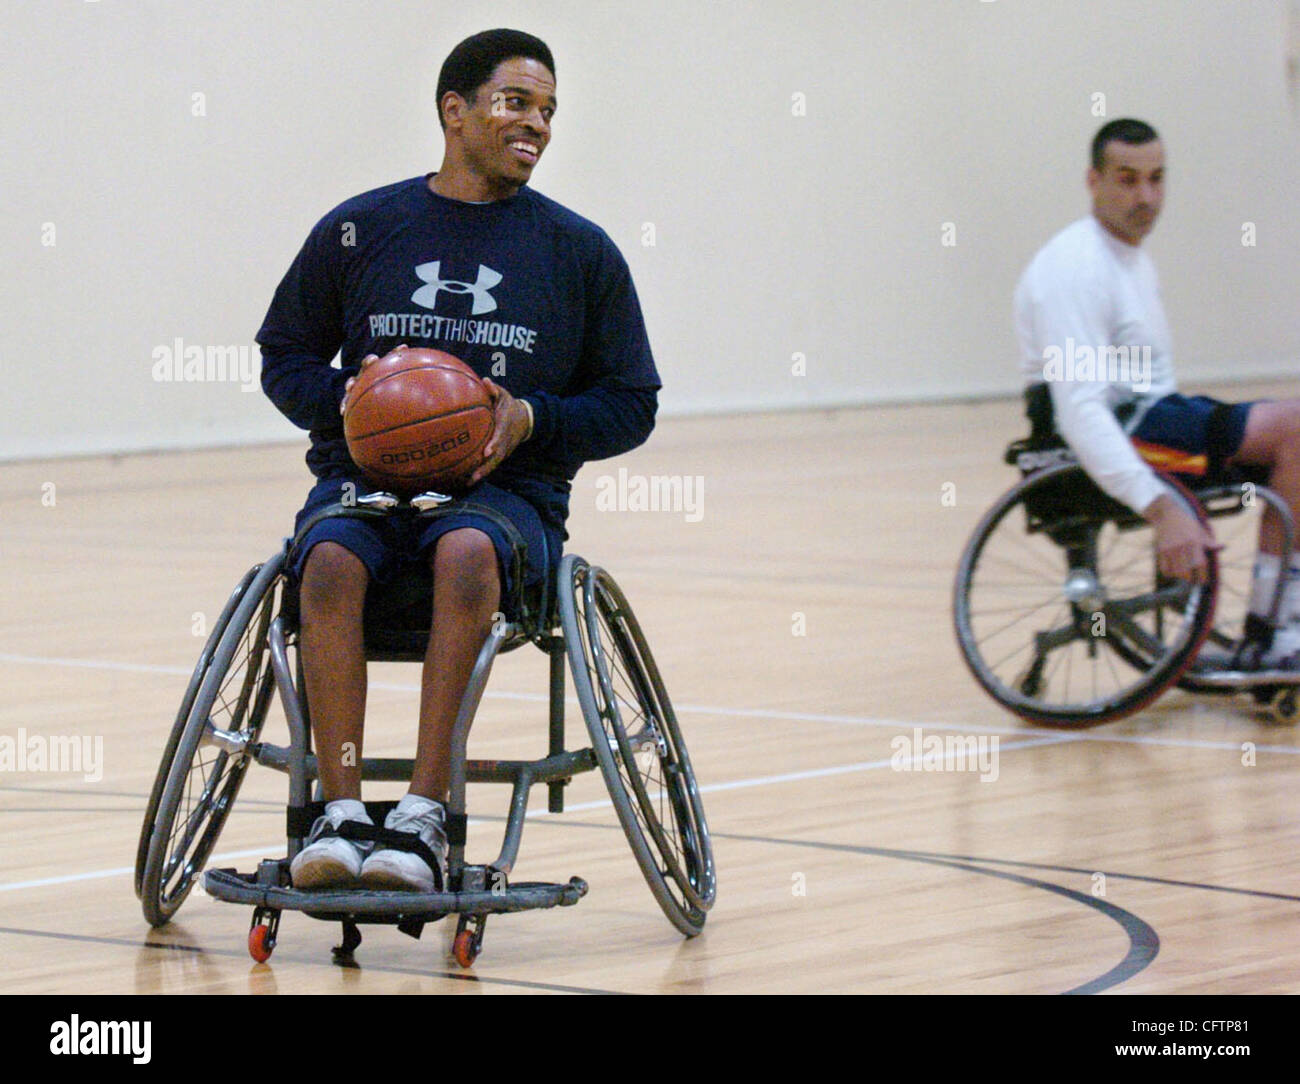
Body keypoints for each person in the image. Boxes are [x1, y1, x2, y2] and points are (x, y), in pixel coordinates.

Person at [256, 28, 660, 891]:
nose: (538, 125)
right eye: (517, 103)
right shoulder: (362, 230)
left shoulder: (579, 253)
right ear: (455, 111)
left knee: (467, 549)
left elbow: (632, 403)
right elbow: (283, 355)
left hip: (506, 498)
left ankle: (424, 814)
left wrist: (530, 418)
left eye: (549, 111)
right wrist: (351, 405)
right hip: (366, 485)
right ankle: (339, 808)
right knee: (324, 559)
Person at [1014, 118, 1300, 669]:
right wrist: (1162, 506)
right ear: (1093, 181)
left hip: (1152, 415)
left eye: (1156, 179)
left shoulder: (1131, 259)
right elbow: (1079, 411)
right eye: (1127, 179)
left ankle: (1278, 620)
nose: (1145, 196)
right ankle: (1271, 636)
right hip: (1109, 428)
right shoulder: (1074, 268)